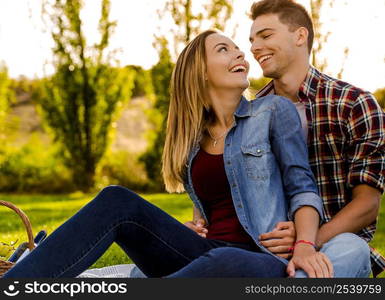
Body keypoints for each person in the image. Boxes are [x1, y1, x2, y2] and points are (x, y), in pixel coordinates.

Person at [3, 30, 329, 278]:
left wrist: (304, 244)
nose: (240, 52)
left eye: (236, 47)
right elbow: (217, 209)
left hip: (259, 259)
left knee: (223, 260)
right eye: (223, 49)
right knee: (117, 200)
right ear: (200, 72)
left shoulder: (273, 111)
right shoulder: (192, 141)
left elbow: (302, 186)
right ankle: (16, 286)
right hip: (203, 255)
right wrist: (186, 230)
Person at [246, 0, 385, 277]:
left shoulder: (354, 104)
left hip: (336, 243)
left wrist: (307, 242)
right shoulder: (251, 114)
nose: (253, 48)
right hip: (272, 247)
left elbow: (367, 205)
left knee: (350, 247)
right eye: (251, 40)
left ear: (300, 36)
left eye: (266, 35)